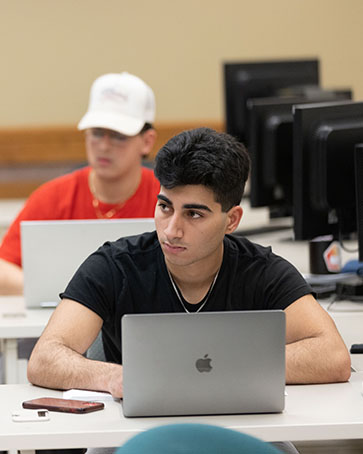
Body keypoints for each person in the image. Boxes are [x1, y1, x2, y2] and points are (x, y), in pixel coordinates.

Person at [27, 127, 351, 397]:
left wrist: (219, 368)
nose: (171, 230)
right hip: (131, 433)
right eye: (165, 207)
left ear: (232, 220)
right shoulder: (115, 265)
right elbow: (44, 358)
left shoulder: (262, 270)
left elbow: (333, 356)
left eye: (193, 214)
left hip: (239, 429)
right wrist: (113, 378)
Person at [0, 72, 159, 295]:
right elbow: (4, 268)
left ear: (147, 141)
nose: (104, 146)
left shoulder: (167, 197)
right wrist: (75, 294)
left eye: (118, 136)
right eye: (96, 133)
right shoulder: (53, 195)